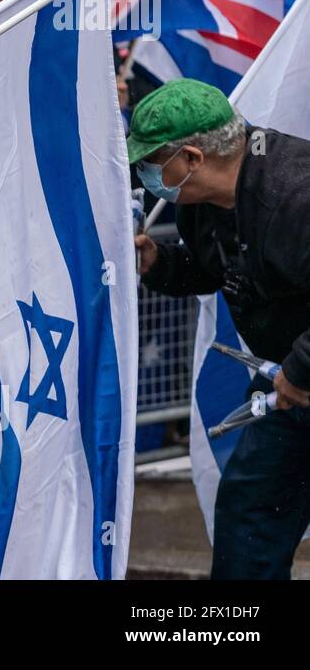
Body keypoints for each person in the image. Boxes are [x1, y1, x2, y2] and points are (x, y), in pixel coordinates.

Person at [129, 78, 310, 579]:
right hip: (287, 385)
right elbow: (217, 269)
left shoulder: (296, 194)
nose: (144, 176)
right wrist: (159, 263)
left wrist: (300, 371)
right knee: (249, 510)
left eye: (150, 162)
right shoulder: (204, 204)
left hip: (295, 374)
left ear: (190, 158)